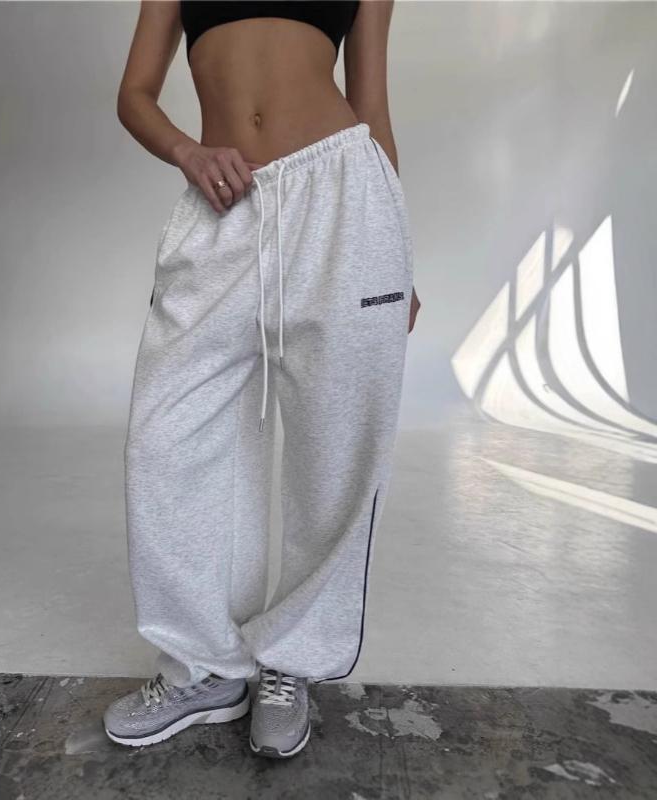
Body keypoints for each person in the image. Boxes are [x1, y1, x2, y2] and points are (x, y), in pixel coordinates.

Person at [103, 0, 421, 759]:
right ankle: (203, 666)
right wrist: (188, 152)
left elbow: (372, 107)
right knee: (166, 440)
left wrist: (397, 251)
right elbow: (134, 94)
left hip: (343, 201)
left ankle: (291, 659)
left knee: (336, 452)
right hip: (223, 204)